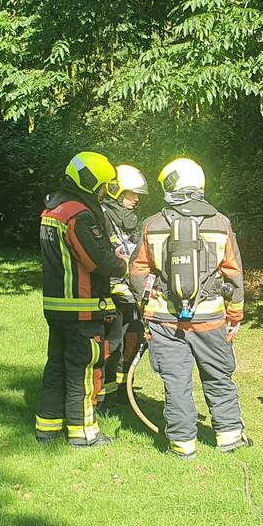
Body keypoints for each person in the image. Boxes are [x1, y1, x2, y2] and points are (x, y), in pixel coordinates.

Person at [129, 158, 249, 459]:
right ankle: (230, 436)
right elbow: (234, 275)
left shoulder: (152, 224)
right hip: (210, 319)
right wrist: (234, 316)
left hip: (165, 320)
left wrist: (146, 304)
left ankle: (182, 444)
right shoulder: (220, 223)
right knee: (218, 376)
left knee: (176, 382)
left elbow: (137, 272)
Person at [35, 152, 128, 448]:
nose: (103, 192)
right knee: (85, 370)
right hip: (82, 308)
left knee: (57, 366)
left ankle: (47, 428)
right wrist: (122, 264)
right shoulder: (78, 214)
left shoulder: (54, 208)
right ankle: (83, 433)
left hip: (57, 306)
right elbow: (97, 260)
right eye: (102, 186)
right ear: (90, 182)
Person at [97, 164, 149, 411]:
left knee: (134, 339)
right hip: (107, 293)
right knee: (112, 344)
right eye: (132, 194)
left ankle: (123, 390)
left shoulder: (130, 220)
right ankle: (104, 396)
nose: (136, 200)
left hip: (131, 292)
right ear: (115, 190)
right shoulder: (100, 216)